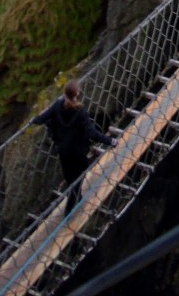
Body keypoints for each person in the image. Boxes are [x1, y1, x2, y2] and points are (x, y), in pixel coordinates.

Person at [32, 79, 117, 214]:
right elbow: (92, 133)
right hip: (77, 151)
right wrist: (110, 141)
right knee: (79, 176)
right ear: (77, 93)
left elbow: (43, 117)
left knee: (70, 178)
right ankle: (69, 209)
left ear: (65, 93)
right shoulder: (80, 112)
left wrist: (34, 120)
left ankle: (77, 198)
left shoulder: (57, 105)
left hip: (62, 150)